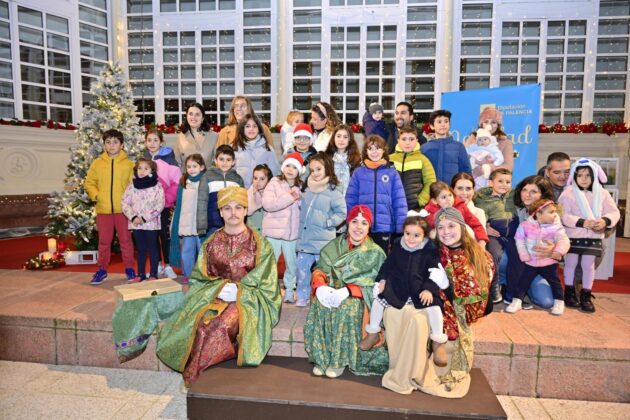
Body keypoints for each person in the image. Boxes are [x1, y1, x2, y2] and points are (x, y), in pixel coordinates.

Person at [157, 186, 281, 386]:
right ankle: (204, 374)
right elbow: (199, 279)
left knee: (222, 325)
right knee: (201, 322)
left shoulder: (260, 244)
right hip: (215, 297)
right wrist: (218, 288)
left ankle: (197, 377)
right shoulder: (211, 243)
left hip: (247, 302)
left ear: (246, 210)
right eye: (227, 208)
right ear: (221, 212)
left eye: (238, 207)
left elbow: (268, 284)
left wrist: (240, 292)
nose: (233, 213)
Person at [381, 207, 493, 396]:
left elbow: (479, 306)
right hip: (426, 302)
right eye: (441, 227)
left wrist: (447, 286)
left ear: (462, 227)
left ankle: (422, 368)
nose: (446, 231)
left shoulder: (480, 257)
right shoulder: (432, 251)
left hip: (455, 315)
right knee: (396, 312)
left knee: (418, 321)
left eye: (451, 226)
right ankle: (401, 372)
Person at [304, 205, 389, 378]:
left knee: (346, 308)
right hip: (332, 291)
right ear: (348, 223)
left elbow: (377, 287)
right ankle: (322, 359)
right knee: (320, 304)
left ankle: (339, 362)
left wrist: (349, 291)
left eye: (364, 223)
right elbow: (320, 269)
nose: (358, 227)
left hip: (360, 298)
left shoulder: (376, 253)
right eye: (355, 221)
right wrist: (320, 286)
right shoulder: (334, 246)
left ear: (369, 227)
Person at [359, 213, 449, 368]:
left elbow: (434, 273)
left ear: (424, 236)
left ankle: (437, 341)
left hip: (419, 289)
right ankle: (373, 333)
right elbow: (387, 266)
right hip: (397, 287)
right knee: (378, 301)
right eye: (407, 234)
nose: (411, 239)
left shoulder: (429, 250)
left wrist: (428, 289)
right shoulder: (398, 247)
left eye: (416, 235)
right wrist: (382, 280)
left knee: (435, 307)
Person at [558, 158, 620, 313]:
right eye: (580, 175)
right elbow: (563, 215)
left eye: (587, 175)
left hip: (593, 237)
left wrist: (605, 221)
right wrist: (581, 222)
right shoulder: (567, 194)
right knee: (570, 263)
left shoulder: (603, 194)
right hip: (573, 236)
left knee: (588, 265)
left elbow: (614, 212)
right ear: (574, 176)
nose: (584, 179)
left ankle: (585, 295)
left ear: (594, 176)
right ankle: (569, 292)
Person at [84, 129, 135, 285]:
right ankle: (102, 270)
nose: (111, 145)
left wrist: (129, 202)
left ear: (122, 145)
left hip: (123, 210)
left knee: (126, 241)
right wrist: (96, 196)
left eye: (115, 142)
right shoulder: (97, 163)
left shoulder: (129, 164)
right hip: (103, 210)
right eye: (108, 142)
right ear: (104, 145)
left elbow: (132, 185)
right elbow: (89, 183)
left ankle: (129, 268)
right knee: (104, 241)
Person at [296, 153, 347, 307]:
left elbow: (342, 213)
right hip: (305, 240)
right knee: (302, 271)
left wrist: (328, 222)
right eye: (312, 170)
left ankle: (322, 297)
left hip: (323, 243)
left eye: (318, 169)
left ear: (327, 168)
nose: (315, 173)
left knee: (323, 273)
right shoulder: (307, 189)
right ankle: (302, 296)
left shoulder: (334, 191)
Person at [346, 135, 408, 253]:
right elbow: (350, 200)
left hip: (384, 227)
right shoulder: (358, 172)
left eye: (378, 148)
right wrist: (350, 222)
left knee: (382, 258)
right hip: (361, 226)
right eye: (370, 148)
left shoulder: (392, 172)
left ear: (384, 150)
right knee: (360, 258)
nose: (374, 152)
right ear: (366, 151)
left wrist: (401, 227)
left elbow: (399, 201)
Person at [503, 175, 557, 309]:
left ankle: (526, 288)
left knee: (546, 302)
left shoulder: (551, 215)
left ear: (543, 195)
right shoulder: (515, 209)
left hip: (537, 265)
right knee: (503, 258)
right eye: (524, 190)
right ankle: (504, 284)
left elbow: (562, 241)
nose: (527, 195)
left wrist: (554, 249)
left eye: (533, 191)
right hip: (517, 262)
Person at [508, 199, 570, 315]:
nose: (555, 215)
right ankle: (517, 301)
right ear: (539, 214)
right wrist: (524, 254)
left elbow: (564, 240)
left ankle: (559, 302)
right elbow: (519, 239)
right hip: (530, 262)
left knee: (555, 282)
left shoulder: (556, 227)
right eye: (551, 212)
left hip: (549, 262)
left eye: (555, 212)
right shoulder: (525, 225)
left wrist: (558, 251)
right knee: (522, 282)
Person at [262, 153, 303, 303]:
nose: (290, 170)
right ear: (283, 167)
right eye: (288, 166)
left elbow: (302, 210)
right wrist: (290, 197)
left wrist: (299, 201)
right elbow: (268, 204)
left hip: (292, 233)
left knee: (292, 264)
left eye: (294, 167)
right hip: (273, 231)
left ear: (299, 171)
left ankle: (290, 289)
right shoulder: (274, 183)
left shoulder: (301, 187)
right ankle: (269, 290)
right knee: (270, 262)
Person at [473, 168, 515, 303]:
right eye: (500, 181)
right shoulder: (482, 200)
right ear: (491, 183)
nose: (504, 185)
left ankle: (512, 289)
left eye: (508, 182)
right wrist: (486, 227)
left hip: (512, 234)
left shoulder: (514, 196)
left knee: (517, 257)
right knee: (494, 255)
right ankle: (494, 285)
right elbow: (480, 218)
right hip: (494, 234)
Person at [144, 129, 180, 279]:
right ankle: (157, 264)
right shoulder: (143, 160)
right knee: (152, 236)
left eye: (155, 140)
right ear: (145, 142)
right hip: (148, 207)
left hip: (164, 205)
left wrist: (166, 199)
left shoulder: (169, 160)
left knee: (165, 235)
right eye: (149, 140)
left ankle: (169, 265)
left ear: (161, 142)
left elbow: (176, 182)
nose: (152, 143)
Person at [121, 158, 165, 281]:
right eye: (139, 168)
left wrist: (144, 218)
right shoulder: (131, 186)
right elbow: (124, 203)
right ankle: (140, 274)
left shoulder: (157, 187)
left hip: (151, 224)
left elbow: (160, 205)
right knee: (140, 249)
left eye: (146, 168)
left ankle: (153, 274)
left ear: (152, 171)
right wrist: (133, 217)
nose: (142, 171)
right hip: (136, 223)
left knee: (152, 248)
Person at [169, 154, 210, 284]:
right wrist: (175, 224)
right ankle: (188, 274)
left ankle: (203, 275)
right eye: (189, 167)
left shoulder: (206, 181)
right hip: (187, 224)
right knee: (187, 251)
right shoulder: (183, 183)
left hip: (200, 224)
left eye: (194, 166)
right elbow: (179, 205)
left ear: (201, 167)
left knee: (202, 251)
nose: (191, 169)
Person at [424, 181, 488, 246]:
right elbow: (431, 226)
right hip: (441, 244)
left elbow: (475, 224)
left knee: (465, 227)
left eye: (450, 195)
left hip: (463, 243)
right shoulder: (430, 211)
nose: (448, 199)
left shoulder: (461, 206)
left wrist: (482, 240)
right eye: (444, 197)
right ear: (434, 201)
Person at [389, 124, 436, 211]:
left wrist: (420, 201)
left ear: (417, 140)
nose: (407, 142)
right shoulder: (389, 159)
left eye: (411, 139)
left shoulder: (423, 160)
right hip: (391, 208)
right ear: (398, 140)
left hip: (415, 209)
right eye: (404, 139)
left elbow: (431, 182)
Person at [421, 109, 472, 184]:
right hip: (431, 188)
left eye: (446, 121)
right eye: (439, 122)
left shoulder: (459, 147)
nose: (443, 124)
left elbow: (466, 171)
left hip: (452, 189)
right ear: (432, 126)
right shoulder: (424, 148)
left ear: (449, 124)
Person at [206, 145, 245, 236]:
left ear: (233, 162)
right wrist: (202, 225)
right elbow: (201, 201)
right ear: (215, 160)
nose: (225, 163)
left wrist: (242, 221)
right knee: (213, 244)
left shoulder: (237, 179)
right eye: (221, 159)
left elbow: (242, 202)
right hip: (212, 224)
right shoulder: (207, 177)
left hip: (233, 223)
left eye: (228, 160)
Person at [464, 107, 514, 179]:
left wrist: (489, 168)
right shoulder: (473, 139)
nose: (489, 125)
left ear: (498, 125)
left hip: (495, 181)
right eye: (486, 122)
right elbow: (464, 160)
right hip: (474, 180)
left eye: (493, 122)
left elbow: (508, 166)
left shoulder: (505, 141)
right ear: (481, 124)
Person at [232, 113, 280, 188]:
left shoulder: (268, 149)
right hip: (239, 191)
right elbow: (229, 173)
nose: (251, 129)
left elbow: (274, 174)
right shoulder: (234, 148)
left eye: (254, 126)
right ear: (242, 128)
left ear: (259, 129)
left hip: (262, 192)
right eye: (247, 126)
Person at [174, 102, 217, 169]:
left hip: (208, 175)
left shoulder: (214, 137)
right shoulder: (180, 137)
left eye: (197, 114)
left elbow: (218, 162)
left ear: (202, 118)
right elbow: (177, 164)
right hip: (186, 175)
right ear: (187, 116)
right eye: (191, 114)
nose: (193, 117)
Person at [325, 124, 361, 197]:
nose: (341, 140)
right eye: (338, 136)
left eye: (345, 137)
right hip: (329, 199)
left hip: (350, 199)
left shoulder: (357, 160)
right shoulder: (326, 158)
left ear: (349, 139)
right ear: (333, 138)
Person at [246, 164, 272, 234]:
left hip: (266, 233)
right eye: (255, 178)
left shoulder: (271, 194)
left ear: (268, 181)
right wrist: (253, 195)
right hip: (252, 231)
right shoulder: (249, 192)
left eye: (262, 179)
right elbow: (249, 211)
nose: (258, 181)